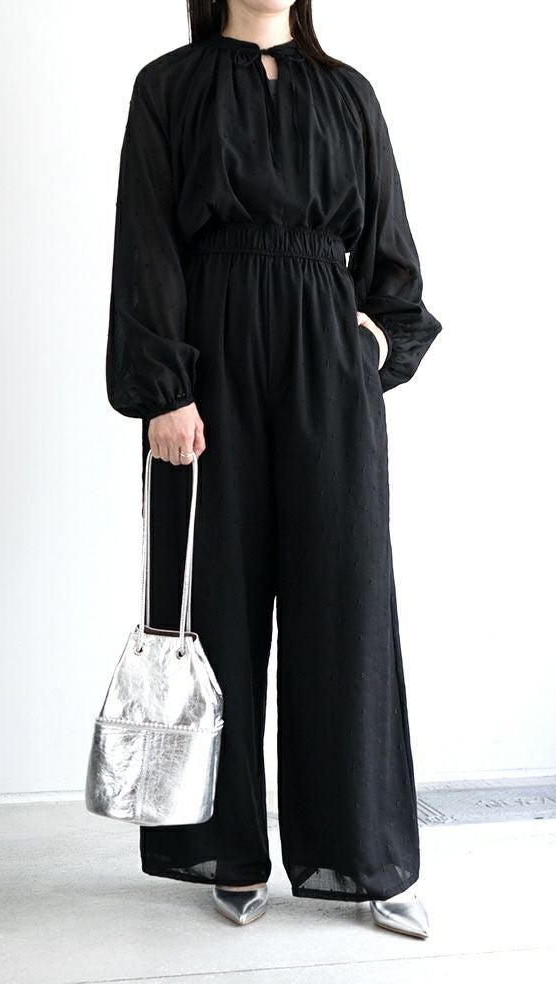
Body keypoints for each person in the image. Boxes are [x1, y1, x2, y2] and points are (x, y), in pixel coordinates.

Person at [105, 0, 441, 939]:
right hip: (208, 371)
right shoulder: (169, 87)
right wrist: (163, 393)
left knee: (346, 606)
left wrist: (371, 346)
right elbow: (146, 243)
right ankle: (229, 852)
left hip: (327, 369)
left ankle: (363, 855)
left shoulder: (349, 94)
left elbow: (391, 253)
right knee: (217, 606)